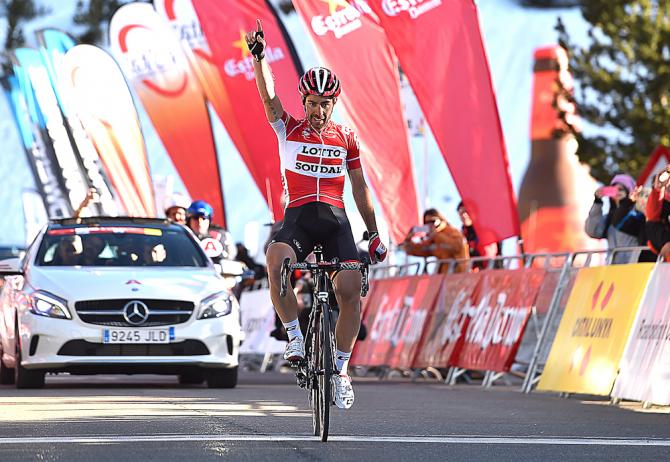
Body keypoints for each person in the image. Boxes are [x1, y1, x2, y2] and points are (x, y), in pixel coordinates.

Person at [246, 19, 387, 409]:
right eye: (312, 103)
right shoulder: (287, 129)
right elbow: (269, 98)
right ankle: (294, 336)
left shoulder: (346, 137)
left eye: (325, 104)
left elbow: (359, 188)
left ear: (334, 104)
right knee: (276, 261)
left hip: (337, 222)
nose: (319, 110)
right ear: (304, 102)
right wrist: (259, 60)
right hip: (299, 221)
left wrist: (373, 233)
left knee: (349, 293)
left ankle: (340, 370)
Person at [585, 173, 647, 263]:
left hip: (633, 266)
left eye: (621, 189)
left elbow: (621, 221)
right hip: (612, 268)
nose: (618, 192)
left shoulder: (638, 214)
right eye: (614, 189)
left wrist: (627, 202)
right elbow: (592, 231)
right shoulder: (610, 217)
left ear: (629, 191)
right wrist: (597, 203)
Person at [402, 209, 469, 273]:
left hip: (459, 276)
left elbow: (457, 247)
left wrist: (436, 235)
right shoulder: (433, 239)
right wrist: (408, 240)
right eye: (426, 223)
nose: (430, 225)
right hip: (443, 278)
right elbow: (417, 250)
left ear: (440, 219)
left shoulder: (452, 232)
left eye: (432, 221)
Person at [457, 202, 500, 266]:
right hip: (464, 273)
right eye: (461, 213)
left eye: (467, 211)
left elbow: (488, 260)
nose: (464, 215)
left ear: (475, 212)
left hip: (484, 273)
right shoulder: (459, 235)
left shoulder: (485, 234)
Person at [645, 167, 670, 261]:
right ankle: (660, 263)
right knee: (668, 245)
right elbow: (658, 186)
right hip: (655, 228)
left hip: (664, 227)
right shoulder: (656, 194)